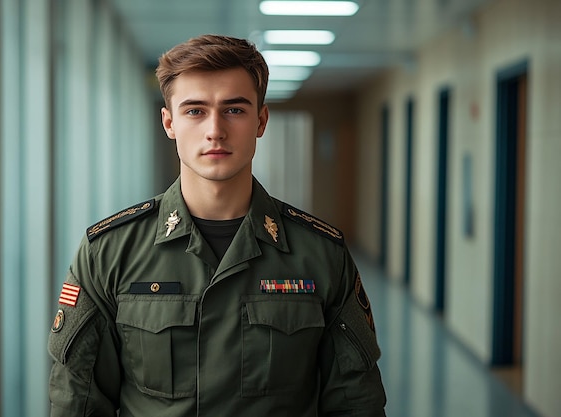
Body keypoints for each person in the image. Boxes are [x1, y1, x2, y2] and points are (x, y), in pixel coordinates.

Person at [47, 34, 386, 417]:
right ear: (169, 122)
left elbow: (355, 402)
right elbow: (79, 402)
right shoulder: (109, 252)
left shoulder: (321, 254)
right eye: (195, 111)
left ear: (261, 120)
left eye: (234, 110)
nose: (215, 130)